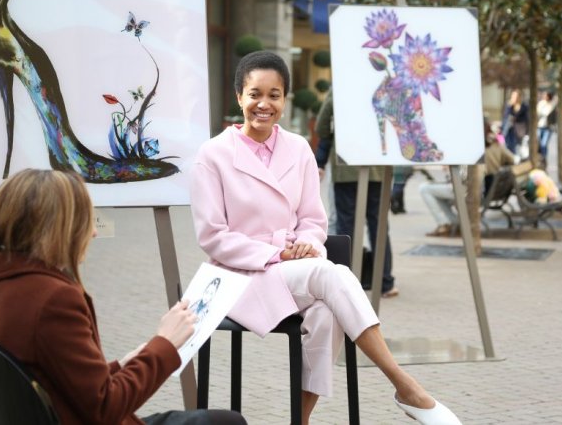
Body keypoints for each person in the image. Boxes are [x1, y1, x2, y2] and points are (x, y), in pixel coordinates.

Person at [190, 51, 461, 425]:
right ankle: (405, 386)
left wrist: (308, 243)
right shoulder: (213, 154)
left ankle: (299, 421)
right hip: (241, 275)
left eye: (274, 94)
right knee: (328, 275)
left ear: (285, 98)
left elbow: (313, 220)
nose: (263, 104)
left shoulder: (299, 148)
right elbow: (213, 237)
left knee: (326, 313)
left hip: (294, 269)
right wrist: (279, 254)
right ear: (239, 97)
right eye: (255, 94)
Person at [0, 169, 246, 425]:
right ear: (56, 230)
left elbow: (69, 383)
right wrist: (165, 345)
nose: (93, 232)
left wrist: (124, 364)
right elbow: (106, 408)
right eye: (84, 222)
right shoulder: (54, 300)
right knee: (226, 422)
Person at [314, 89, 399, 298]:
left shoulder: (341, 85)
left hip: (347, 167)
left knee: (346, 227)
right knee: (379, 227)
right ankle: (385, 282)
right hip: (379, 168)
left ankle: (346, 282)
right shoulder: (387, 87)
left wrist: (322, 159)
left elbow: (322, 125)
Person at [502, 88, 529, 155]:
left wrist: (516, 119)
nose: (515, 98)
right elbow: (505, 116)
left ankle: (514, 159)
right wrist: (510, 106)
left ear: (519, 97)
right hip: (509, 130)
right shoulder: (509, 105)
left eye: (516, 96)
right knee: (508, 145)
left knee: (517, 146)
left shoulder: (524, 106)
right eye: (513, 96)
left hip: (519, 129)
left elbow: (526, 119)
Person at [536, 91, 557, 167]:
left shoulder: (552, 104)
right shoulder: (541, 104)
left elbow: (548, 112)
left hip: (548, 128)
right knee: (539, 144)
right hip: (540, 126)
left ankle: (543, 158)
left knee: (544, 144)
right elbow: (538, 113)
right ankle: (540, 158)